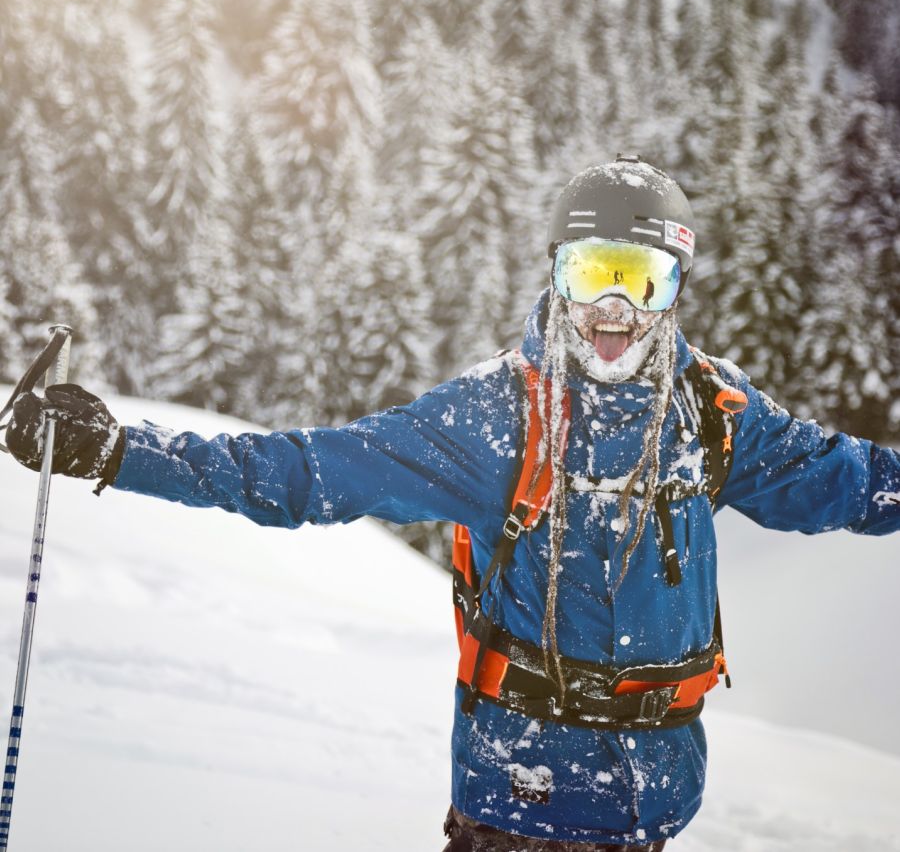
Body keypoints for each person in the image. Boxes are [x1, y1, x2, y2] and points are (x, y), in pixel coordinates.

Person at [6, 154, 899, 850]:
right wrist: (122, 451)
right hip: (519, 804)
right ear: (557, 275)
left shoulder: (710, 412)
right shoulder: (494, 418)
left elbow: (844, 479)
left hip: (656, 803)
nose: (613, 308)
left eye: (642, 279)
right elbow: (303, 473)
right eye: (591, 273)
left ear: (675, 290)